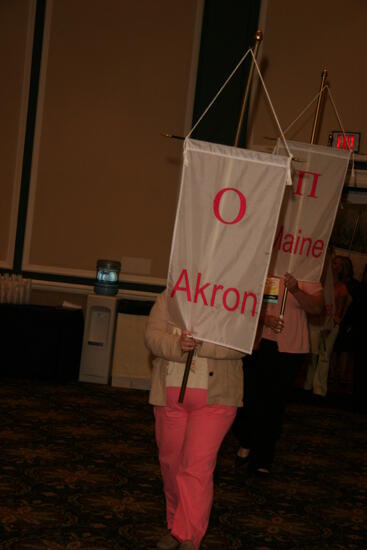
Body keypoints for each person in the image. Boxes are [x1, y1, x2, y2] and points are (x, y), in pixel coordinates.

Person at [145, 290, 244, 550]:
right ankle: (175, 526)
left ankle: (189, 536)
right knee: (171, 465)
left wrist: (204, 344)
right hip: (169, 395)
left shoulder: (235, 296)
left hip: (217, 399)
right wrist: (177, 345)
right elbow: (152, 337)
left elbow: (243, 344)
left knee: (195, 468)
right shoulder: (169, 296)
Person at [232, 272, 324, 476]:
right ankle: (246, 438)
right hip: (257, 343)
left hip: (290, 349)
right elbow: (241, 300)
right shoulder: (265, 266)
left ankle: (262, 457)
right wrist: (265, 318)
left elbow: (317, 309)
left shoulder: (308, 272)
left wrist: (295, 289)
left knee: (273, 404)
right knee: (247, 398)